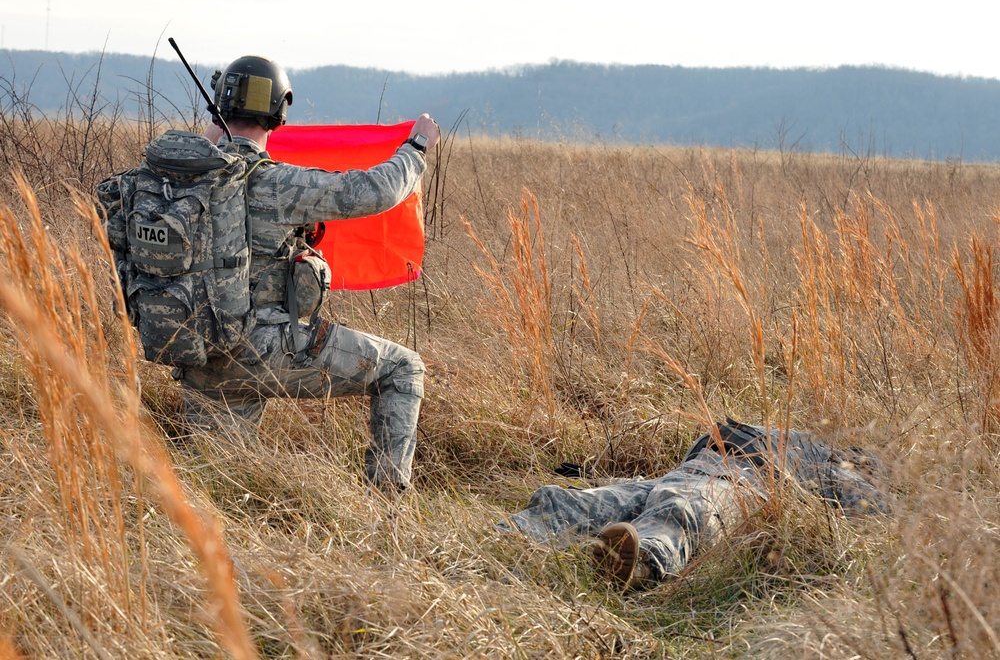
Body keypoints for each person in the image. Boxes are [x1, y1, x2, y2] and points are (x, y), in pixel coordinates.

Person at [176, 55, 440, 491]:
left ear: (220, 110)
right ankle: (390, 510)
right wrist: (415, 149)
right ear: (280, 112)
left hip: (199, 353)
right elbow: (371, 192)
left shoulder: (184, 179)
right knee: (402, 369)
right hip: (262, 350)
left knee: (219, 488)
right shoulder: (276, 183)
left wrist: (215, 132)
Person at [499, 419, 891, 588]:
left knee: (681, 512)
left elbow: (872, 508)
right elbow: (873, 505)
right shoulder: (816, 448)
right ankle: (508, 537)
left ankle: (636, 563)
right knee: (587, 501)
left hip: (736, 485)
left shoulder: (826, 459)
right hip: (687, 473)